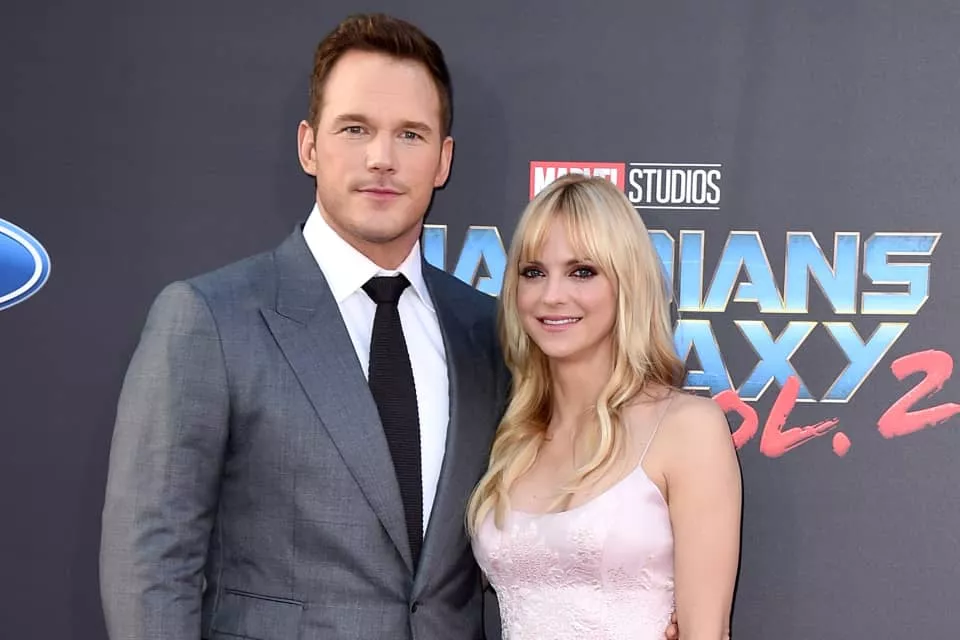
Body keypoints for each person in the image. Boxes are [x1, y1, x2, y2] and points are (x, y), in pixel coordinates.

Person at [469, 173, 742, 640]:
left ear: (627, 283)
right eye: (533, 272)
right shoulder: (506, 434)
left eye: (582, 271)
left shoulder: (687, 429)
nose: (552, 295)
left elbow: (707, 632)